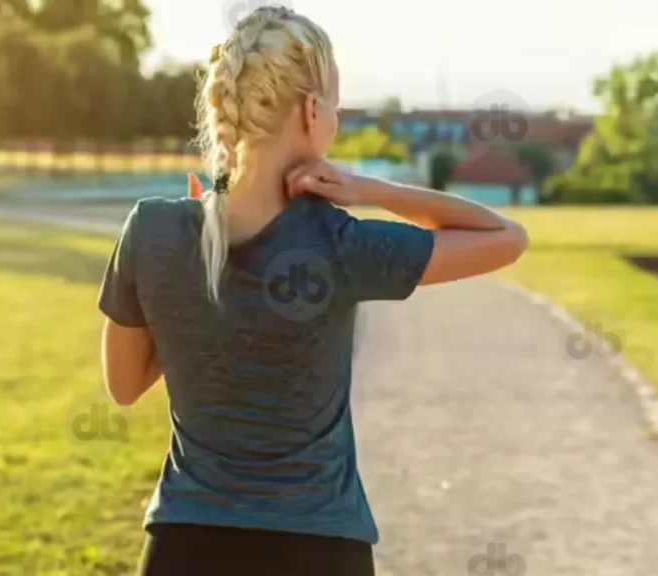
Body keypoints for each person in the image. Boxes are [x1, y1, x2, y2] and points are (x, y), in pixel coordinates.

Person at [97, 6, 529, 576]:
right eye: (336, 105)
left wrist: (181, 283)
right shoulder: (340, 242)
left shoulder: (153, 229)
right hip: (318, 548)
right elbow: (505, 236)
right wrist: (366, 187)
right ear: (311, 111)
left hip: (184, 546)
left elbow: (124, 386)